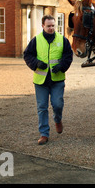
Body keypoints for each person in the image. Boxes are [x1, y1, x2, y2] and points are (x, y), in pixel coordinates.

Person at [24, 14, 73, 145]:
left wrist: (61, 66)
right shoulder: (36, 40)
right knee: (42, 107)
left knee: (57, 104)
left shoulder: (63, 40)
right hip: (41, 81)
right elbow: (27, 55)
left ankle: (57, 119)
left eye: (53, 26)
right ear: (43, 26)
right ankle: (44, 134)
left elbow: (68, 56)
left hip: (57, 80)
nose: (51, 28)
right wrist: (36, 63)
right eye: (48, 26)